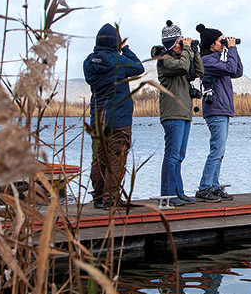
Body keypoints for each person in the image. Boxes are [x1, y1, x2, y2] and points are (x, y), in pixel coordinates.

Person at [83, 23, 145, 209]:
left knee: (99, 159)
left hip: (98, 119)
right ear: (116, 43)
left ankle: (98, 198)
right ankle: (111, 200)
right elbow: (138, 68)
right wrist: (125, 49)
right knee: (116, 160)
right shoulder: (119, 61)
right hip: (119, 120)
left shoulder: (89, 62)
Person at [151, 20, 203, 206]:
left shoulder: (182, 57)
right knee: (172, 156)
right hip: (172, 114)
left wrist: (194, 52)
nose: (183, 46)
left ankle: (178, 192)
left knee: (179, 156)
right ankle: (168, 194)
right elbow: (181, 66)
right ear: (172, 44)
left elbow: (198, 71)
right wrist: (188, 50)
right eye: (180, 42)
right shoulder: (165, 60)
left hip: (184, 113)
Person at [194, 24, 243, 202]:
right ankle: (204, 187)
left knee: (219, 151)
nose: (223, 43)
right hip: (216, 110)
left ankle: (213, 186)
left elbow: (237, 71)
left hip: (222, 109)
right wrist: (231, 49)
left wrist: (233, 50)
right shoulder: (207, 61)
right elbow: (231, 69)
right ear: (211, 44)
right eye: (220, 41)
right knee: (216, 150)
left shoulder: (216, 61)